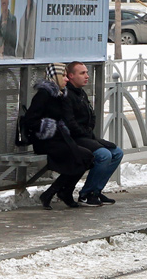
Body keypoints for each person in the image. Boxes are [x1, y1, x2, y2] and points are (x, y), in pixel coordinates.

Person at [24, 63, 92, 209]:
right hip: (45, 141)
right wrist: (49, 127)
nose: (67, 80)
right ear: (54, 77)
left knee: (87, 157)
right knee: (81, 157)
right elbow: (30, 120)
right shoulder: (44, 94)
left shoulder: (60, 94)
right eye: (64, 76)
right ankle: (57, 193)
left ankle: (57, 192)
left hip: (59, 139)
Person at [63, 61, 124, 206]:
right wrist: (85, 132)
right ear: (71, 76)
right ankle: (86, 194)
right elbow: (70, 123)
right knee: (104, 155)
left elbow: (91, 115)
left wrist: (89, 131)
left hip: (85, 136)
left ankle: (95, 191)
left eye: (87, 72)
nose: (87, 76)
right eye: (82, 73)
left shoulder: (80, 92)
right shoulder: (67, 95)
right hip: (73, 139)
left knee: (117, 152)